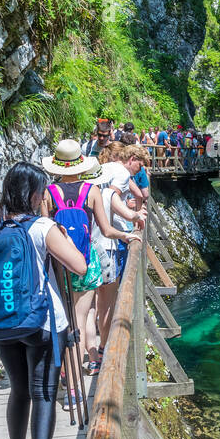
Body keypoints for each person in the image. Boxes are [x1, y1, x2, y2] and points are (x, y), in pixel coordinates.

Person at [0, 162, 87, 439]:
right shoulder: (43, 227)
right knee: (44, 393)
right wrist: (63, 240)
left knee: (19, 390)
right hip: (43, 323)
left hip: (1, 323)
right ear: (36, 195)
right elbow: (79, 266)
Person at [41, 139, 126, 411]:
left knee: (66, 324)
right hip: (86, 263)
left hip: (59, 263)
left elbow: (45, 231)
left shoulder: (47, 192)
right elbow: (107, 229)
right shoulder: (91, 191)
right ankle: (76, 392)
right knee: (80, 320)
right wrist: (128, 233)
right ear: (80, 164)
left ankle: (67, 382)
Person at [86, 154, 133, 374]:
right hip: (105, 251)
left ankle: (91, 355)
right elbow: (124, 218)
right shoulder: (105, 193)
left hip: (79, 253)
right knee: (105, 304)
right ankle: (103, 348)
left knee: (85, 309)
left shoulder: (67, 193)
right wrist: (128, 231)